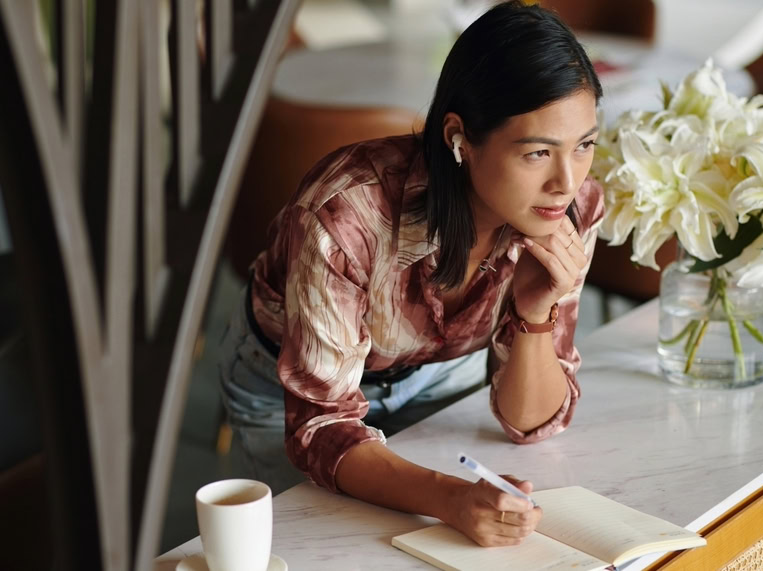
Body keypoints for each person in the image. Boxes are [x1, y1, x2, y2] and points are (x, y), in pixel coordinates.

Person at [218, 0, 604, 548]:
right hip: (291, 386)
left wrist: (536, 313)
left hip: (437, 374)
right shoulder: (346, 215)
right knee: (314, 553)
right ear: (459, 139)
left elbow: (533, 424)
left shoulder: (570, 210)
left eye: (584, 145)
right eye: (537, 153)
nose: (566, 182)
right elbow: (320, 428)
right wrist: (450, 498)